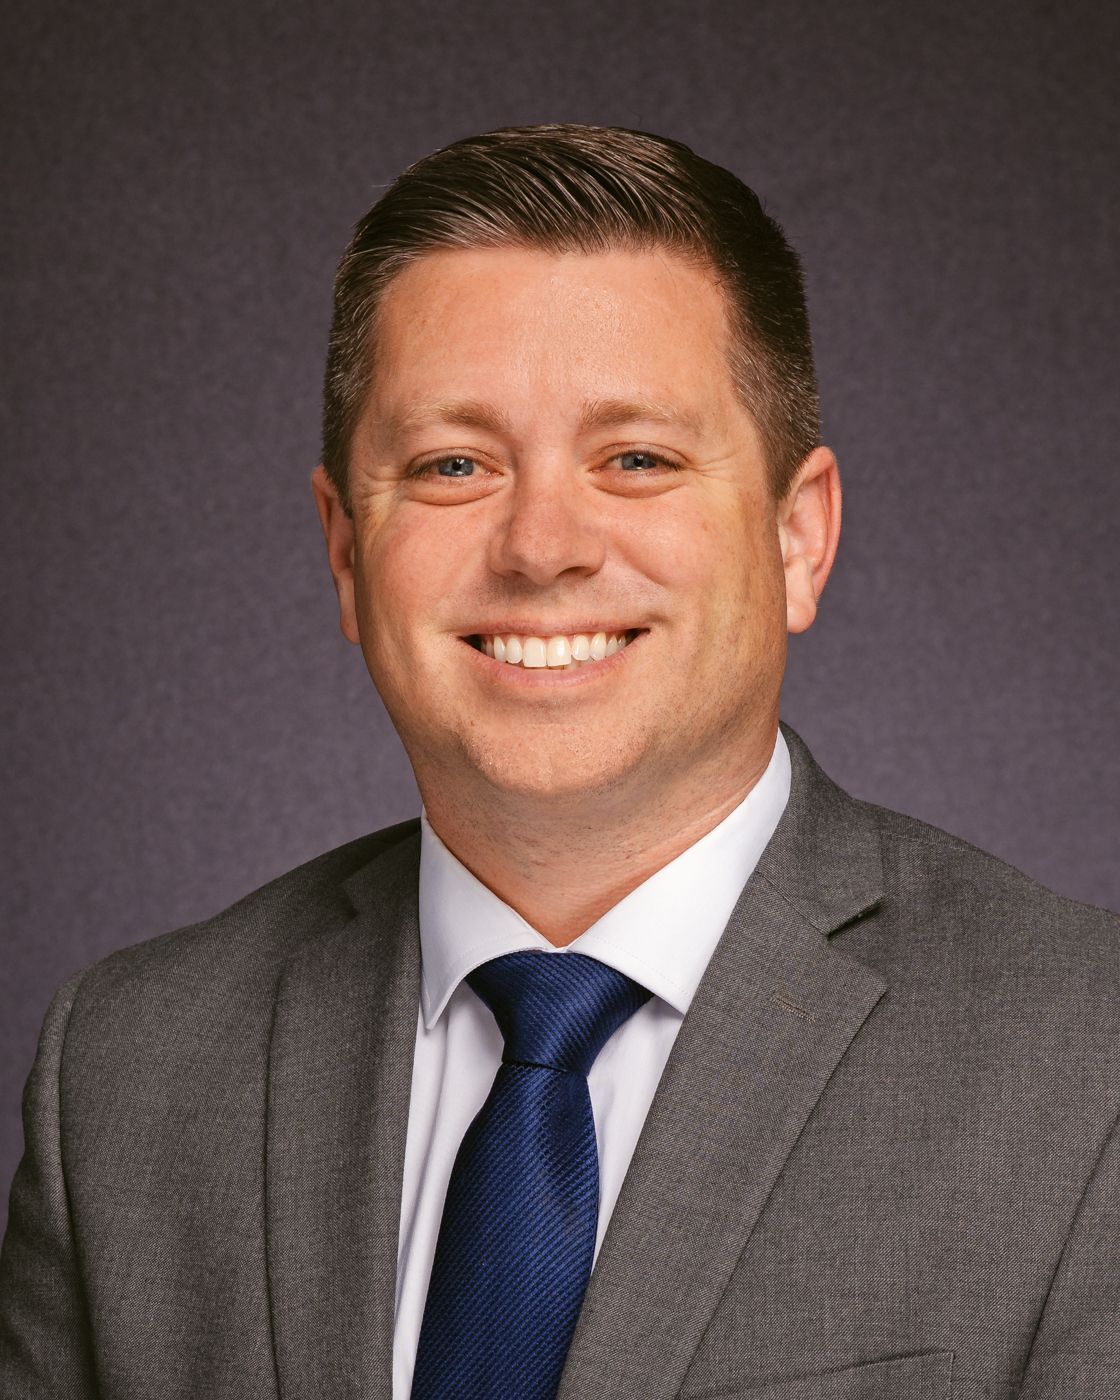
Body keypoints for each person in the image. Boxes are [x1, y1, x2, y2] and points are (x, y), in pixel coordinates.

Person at [1, 123, 1117, 1400]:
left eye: (634, 458)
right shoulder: (129, 1071)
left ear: (798, 535)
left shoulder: (1089, 1063)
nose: (541, 545)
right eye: (452, 464)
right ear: (346, 554)